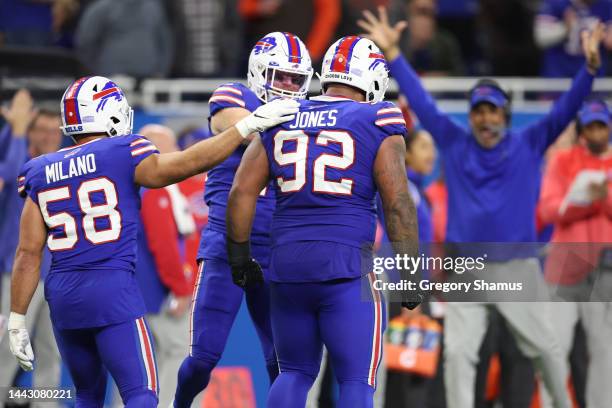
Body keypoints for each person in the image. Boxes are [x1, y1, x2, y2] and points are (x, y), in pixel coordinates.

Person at [358, 7, 603, 408]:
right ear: (471, 116)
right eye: (479, 110)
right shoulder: (455, 142)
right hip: (466, 266)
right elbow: (421, 100)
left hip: (517, 267)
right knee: (458, 354)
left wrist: (589, 70)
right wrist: (394, 55)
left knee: (549, 350)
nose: (486, 118)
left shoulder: (529, 142)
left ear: (505, 115)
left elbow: (566, 108)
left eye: (492, 110)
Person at [6, 75, 299, 407]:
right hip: (111, 288)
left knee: (88, 395)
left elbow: (28, 252)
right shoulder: (122, 150)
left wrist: (17, 317)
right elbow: (183, 165)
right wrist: (242, 129)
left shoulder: (39, 170)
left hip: (63, 295)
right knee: (141, 394)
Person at [226, 35, 420, 408]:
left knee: (294, 374)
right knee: (356, 382)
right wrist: (411, 274)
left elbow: (241, 192)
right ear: (375, 79)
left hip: (287, 266)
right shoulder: (378, 117)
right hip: (346, 267)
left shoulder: (284, 115)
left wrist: (239, 258)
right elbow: (397, 204)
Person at [173, 31, 313, 408]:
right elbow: (231, 125)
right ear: (258, 72)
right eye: (278, 76)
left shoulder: (309, 114)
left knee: (282, 364)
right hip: (225, 245)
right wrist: (265, 121)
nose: (286, 87)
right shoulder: (234, 96)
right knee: (202, 360)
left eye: (294, 80)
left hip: (280, 252)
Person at [538, 99, 612, 408]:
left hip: (605, 266)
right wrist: (586, 201)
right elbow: (548, 209)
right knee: (554, 345)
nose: (595, 133)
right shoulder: (563, 160)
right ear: (582, 130)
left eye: (601, 126)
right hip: (565, 265)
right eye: (590, 127)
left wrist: (603, 198)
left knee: (605, 349)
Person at [0, 90, 62, 406]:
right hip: (17, 271)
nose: (49, 136)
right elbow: (8, 172)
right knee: (7, 345)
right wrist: (17, 128)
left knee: (52, 346)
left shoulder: (64, 167)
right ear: (32, 132)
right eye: (42, 129)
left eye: (55, 130)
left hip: (57, 274)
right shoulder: (18, 161)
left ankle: (46, 403)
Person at [134, 124, 200, 408]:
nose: (177, 153)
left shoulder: (138, 185)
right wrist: (181, 288)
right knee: (177, 354)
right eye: (170, 146)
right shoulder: (155, 186)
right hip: (155, 294)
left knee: (142, 368)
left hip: (138, 291)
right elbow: (163, 246)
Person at [535, 0, 612, 77]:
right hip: (558, 75)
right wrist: (565, 28)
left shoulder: (607, 5)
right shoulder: (556, 3)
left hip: (594, 77)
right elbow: (540, 38)